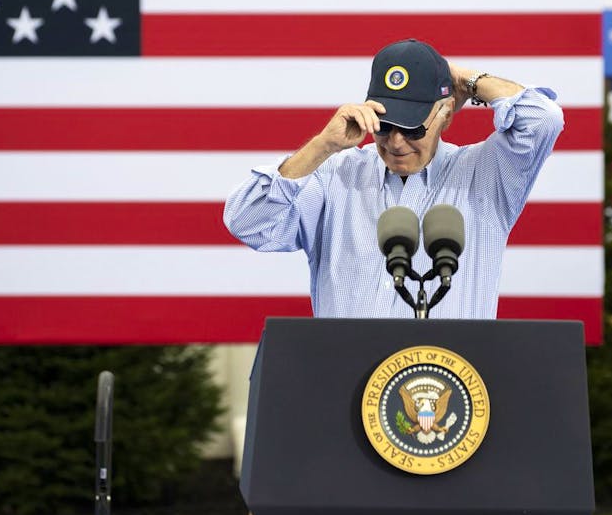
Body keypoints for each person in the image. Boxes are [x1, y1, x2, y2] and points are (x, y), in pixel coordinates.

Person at [223, 37, 564, 319]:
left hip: (448, 388)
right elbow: (248, 222)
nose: (396, 142)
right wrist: (322, 146)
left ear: (445, 114)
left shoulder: (484, 174)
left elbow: (543, 119)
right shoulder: (335, 175)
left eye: (412, 127)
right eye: (383, 125)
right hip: (344, 386)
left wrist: (464, 79)